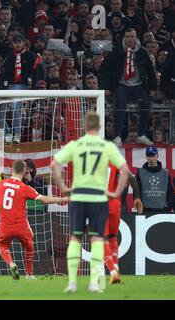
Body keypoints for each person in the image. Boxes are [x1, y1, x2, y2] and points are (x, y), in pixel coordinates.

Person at [51, 111, 129, 293]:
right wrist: (116, 192)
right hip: (98, 197)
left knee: (76, 238)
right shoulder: (106, 146)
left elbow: (54, 164)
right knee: (96, 239)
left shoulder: (75, 145)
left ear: (84, 126)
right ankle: (94, 283)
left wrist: (63, 187)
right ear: (99, 126)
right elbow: (125, 170)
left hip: (78, 196)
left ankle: (71, 283)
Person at [0, 160, 68, 280]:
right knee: (29, 247)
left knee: (1, 245)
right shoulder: (25, 188)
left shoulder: (1, 184)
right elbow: (45, 200)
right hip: (21, 227)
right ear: (25, 172)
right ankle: (29, 274)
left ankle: (11, 263)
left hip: (5, 226)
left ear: (11, 170)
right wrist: (64, 198)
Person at [99, 28, 156, 147]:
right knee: (120, 104)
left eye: (132, 37)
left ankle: (142, 135)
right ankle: (117, 136)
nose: (129, 39)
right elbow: (104, 69)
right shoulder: (116, 51)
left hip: (138, 85)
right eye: (127, 37)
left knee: (146, 103)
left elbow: (151, 71)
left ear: (136, 38)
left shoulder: (142, 52)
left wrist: (153, 88)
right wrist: (105, 87)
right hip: (121, 84)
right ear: (124, 38)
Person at [103, 163, 143, 284]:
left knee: (101, 239)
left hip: (99, 204)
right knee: (112, 237)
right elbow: (131, 177)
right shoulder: (114, 162)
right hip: (115, 204)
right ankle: (116, 268)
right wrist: (137, 197)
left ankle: (112, 272)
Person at [136, 146, 173, 213]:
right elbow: (137, 192)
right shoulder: (140, 172)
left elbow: (170, 192)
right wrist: (139, 206)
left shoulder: (165, 173)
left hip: (163, 210)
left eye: (153, 156)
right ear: (146, 157)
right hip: (145, 210)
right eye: (149, 156)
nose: (151, 158)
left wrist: (169, 207)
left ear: (157, 156)